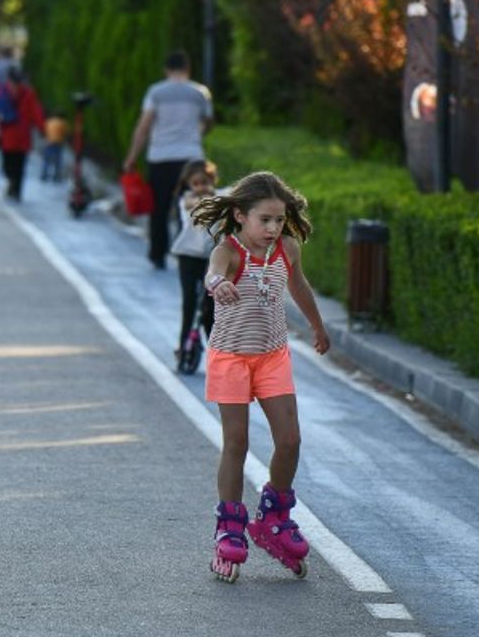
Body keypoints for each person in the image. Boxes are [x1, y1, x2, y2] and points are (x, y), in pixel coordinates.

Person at [188, 171, 330, 583]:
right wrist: (218, 284)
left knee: (290, 440)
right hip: (231, 358)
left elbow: (299, 287)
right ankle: (229, 527)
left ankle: (274, 518)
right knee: (237, 443)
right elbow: (212, 273)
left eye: (279, 220)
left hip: (272, 357)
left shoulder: (287, 249)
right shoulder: (228, 251)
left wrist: (318, 326)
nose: (273, 228)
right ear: (240, 215)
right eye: (264, 220)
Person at [123, 50, 215, 270]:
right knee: (190, 207)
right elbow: (209, 120)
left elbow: (144, 126)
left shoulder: (155, 93)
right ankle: (187, 254)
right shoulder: (200, 92)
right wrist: (197, 134)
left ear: (166, 69)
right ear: (187, 68)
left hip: (161, 157)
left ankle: (158, 254)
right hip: (191, 159)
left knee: (159, 208)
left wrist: (131, 157)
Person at [170, 159, 219, 359]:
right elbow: (193, 204)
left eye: (204, 183)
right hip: (188, 256)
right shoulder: (187, 200)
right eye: (195, 184)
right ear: (189, 185)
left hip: (213, 260)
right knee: (189, 302)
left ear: (212, 180)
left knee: (210, 308)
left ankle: (217, 353)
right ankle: (183, 345)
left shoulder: (220, 197)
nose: (200, 188)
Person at [0, 67, 44, 201]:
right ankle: (13, 184)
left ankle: (16, 190)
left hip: (17, 134)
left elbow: (35, 111)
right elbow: (36, 111)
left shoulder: (21, 92)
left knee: (18, 164)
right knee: (10, 164)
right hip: (12, 134)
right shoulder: (4, 91)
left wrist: (41, 127)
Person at [41, 113, 70, 182]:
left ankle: (44, 175)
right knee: (58, 160)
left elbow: (44, 129)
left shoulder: (49, 121)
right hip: (58, 143)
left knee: (47, 159)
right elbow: (66, 132)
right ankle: (56, 176)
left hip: (49, 142)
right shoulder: (62, 122)